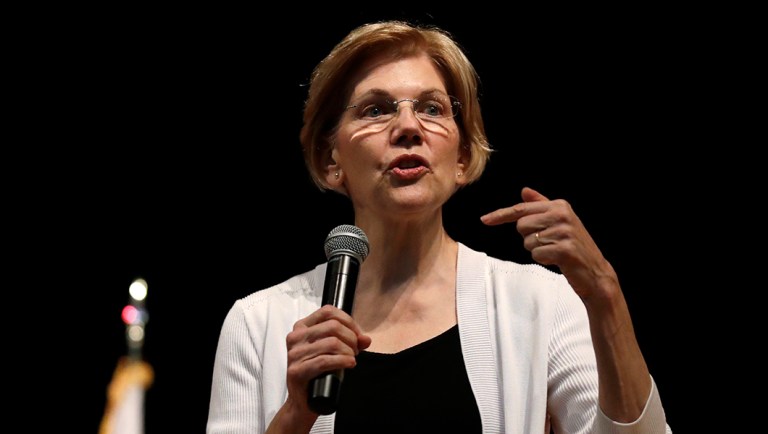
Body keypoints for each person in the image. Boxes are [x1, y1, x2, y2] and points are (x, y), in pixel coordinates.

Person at [206, 20, 672, 434]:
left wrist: (605, 295)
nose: (408, 127)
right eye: (375, 110)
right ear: (332, 160)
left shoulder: (539, 302)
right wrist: (294, 416)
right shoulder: (257, 323)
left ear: (463, 157)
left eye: (431, 108)